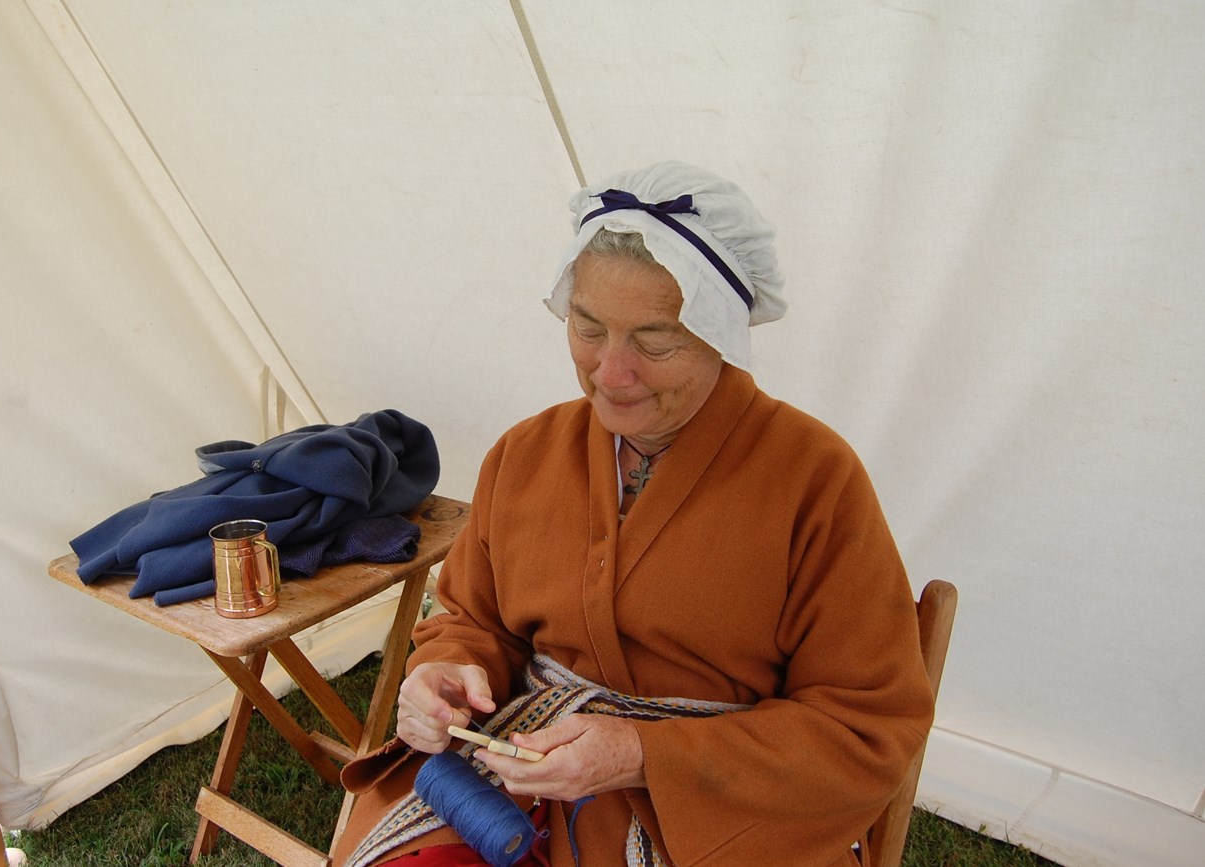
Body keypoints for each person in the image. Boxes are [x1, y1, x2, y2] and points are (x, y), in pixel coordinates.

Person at [334, 162, 934, 867]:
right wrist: (445, 669)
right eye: (589, 328)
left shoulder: (816, 481)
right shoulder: (524, 454)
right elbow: (472, 618)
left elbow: (864, 730)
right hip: (518, 793)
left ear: (721, 335)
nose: (610, 373)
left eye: (654, 341)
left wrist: (643, 753)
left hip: (720, 819)